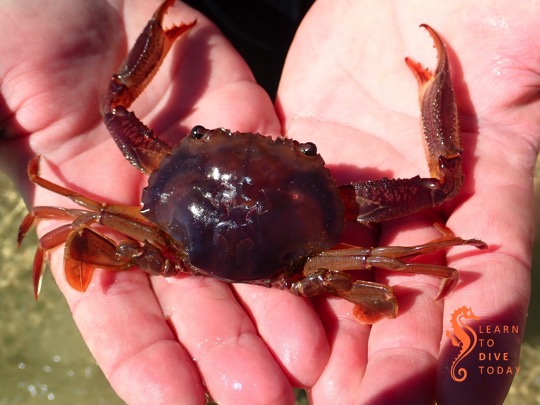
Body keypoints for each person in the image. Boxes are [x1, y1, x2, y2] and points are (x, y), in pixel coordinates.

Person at [0, 1, 536, 404]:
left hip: (171, 248)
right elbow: (439, 185)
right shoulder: (338, 204)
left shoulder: (166, 167)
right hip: (298, 269)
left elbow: (115, 109)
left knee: (96, 183)